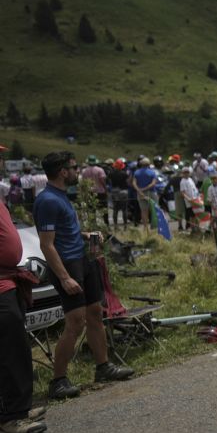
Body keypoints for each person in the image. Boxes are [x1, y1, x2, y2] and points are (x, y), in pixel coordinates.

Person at [35, 152, 134, 400]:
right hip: (68, 265)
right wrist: (65, 277)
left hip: (83, 260)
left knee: (95, 314)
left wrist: (87, 235)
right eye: (73, 167)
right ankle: (58, 380)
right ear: (62, 171)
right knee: (75, 323)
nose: (77, 170)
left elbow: (66, 232)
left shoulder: (61, 196)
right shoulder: (47, 200)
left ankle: (103, 366)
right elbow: (47, 245)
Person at [0, 197, 45, 433]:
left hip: (9, 280)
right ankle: (11, 417)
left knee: (17, 347)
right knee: (10, 351)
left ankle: (18, 409)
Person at [80, 156, 108, 227]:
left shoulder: (84, 171)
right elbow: (103, 181)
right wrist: (106, 189)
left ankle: (93, 225)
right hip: (100, 192)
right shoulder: (100, 170)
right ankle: (106, 224)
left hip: (90, 192)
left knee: (91, 210)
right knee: (104, 209)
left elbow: (83, 183)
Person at [131, 157, 158, 231]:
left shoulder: (136, 172)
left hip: (140, 193)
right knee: (154, 210)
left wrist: (139, 190)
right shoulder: (152, 172)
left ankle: (145, 227)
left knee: (143, 210)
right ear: (148, 164)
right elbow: (153, 183)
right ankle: (154, 226)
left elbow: (134, 183)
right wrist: (145, 189)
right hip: (151, 192)